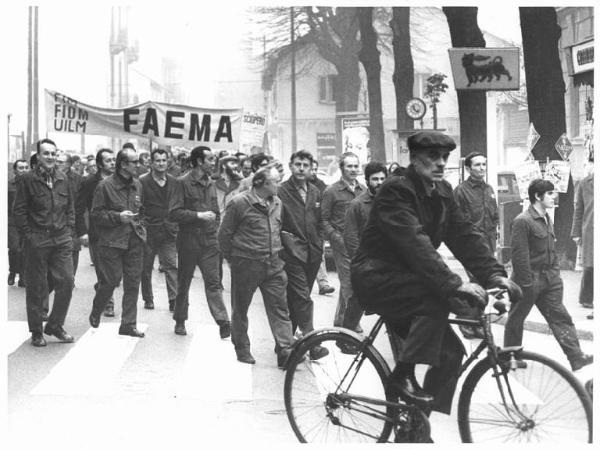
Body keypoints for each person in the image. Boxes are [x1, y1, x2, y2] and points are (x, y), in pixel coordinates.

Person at [351, 131, 518, 412]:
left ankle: (417, 424)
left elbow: (465, 235)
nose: (440, 163)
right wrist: (453, 284)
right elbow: (414, 242)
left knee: (451, 356)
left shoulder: (442, 192)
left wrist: (494, 275)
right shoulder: (396, 190)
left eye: (444, 157)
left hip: (412, 280)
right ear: (414, 159)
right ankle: (401, 376)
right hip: (378, 277)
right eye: (433, 157)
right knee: (437, 298)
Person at [505, 179, 593, 371]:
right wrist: (527, 284)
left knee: (560, 317)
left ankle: (576, 357)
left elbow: (551, 250)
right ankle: (510, 356)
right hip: (528, 280)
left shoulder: (546, 217)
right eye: (551, 193)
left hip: (549, 279)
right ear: (538, 196)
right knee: (516, 318)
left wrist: (555, 275)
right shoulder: (523, 221)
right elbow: (519, 257)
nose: (555, 196)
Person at [218, 166, 296, 368]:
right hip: (246, 263)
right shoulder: (239, 203)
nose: (279, 185)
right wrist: (232, 259)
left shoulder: (277, 202)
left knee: (279, 307)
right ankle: (242, 347)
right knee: (241, 307)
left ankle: (285, 350)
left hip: (273, 263)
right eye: (275, 181)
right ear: (261, 183)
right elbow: (224, 235)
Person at [13, 139, 76, 347]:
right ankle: (37, 331)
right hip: (37, 239)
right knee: (37, 286)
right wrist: (29, 236)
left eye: (53, 154)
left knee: (66, 281)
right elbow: (19, 212)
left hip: (61, 239)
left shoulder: (63, 178)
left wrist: (68, 229)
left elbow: (70, 208)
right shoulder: (27, 180)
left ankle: (55, 325)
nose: (50, 157)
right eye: (46, 153)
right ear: (38, 156)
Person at [169, 146, 231, 338]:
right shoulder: (182, 183)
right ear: (198, 161)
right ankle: (180, 320)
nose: (214, 163)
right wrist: (198, 215)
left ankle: (223, 322)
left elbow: (216, 213)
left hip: (210, 242)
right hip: (188, 240)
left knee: (213, 283)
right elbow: (173, 213)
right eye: (210, 160)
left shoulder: (211, 184)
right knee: (184, 283)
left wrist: (216, 233)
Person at [88, 147, 146, 338]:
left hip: (134, 240)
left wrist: (142, 227)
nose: (138, 165)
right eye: (134, 162)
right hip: (112, 242)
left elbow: (141, 209)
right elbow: (95, 215)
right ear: (123, 165)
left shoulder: (138, 185)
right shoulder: (105, 186)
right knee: (111, 281)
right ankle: (97, 308)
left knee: (132, 283)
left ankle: (128, 324)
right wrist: (117, 217)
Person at [278, 150, 328, 360]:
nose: (301, 168)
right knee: (303, 298)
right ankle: (311, 343)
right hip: (291, 252)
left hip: (312, 253)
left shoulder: (316, 192)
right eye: (297, 164)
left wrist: (320, 240)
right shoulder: (281, 191)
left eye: (305, 165)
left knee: (295, 300)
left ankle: (284, 347)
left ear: (311, 168)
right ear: (290, 166)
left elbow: (320, 220)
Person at [321, 152, 366, 329]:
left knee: (355, 281)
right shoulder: (331, 191)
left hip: (360, 245)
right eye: (349, 166)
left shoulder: (364, 190)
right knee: (350, 282)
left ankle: (341, 319)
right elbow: (324, 219)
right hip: (341, 244)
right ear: (342, 169)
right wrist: (335, 238)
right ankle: (352, 324)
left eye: (356, 166)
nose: (353, 169)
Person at [342, 160, 387, 332]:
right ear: (367, 181)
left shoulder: (393, 202)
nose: (380, 183)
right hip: (366, 261)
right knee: (358, 298)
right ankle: (346, 336)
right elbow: (350, 237)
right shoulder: (357, 205)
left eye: (383, 178)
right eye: (375, 179)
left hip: (388, 260)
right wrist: (361, 262)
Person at [76, 149, 117, 317]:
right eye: (108, 161)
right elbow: (79, 208)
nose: (113, 163)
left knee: (114, 273)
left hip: (118, 232)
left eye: (114, 160)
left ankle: (102, 287)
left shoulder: (121, 180)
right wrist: (82, 231)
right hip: (97, 233)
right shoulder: (89, 182)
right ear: (100, 164)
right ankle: (108, 303)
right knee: (103, 270)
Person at [139, 149, 179, 311]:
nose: (161, 163)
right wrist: (141, 226)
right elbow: (138, 205)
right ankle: (148, 298)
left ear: (168, 162)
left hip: (168, 231)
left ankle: (173, 300)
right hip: (149, 231)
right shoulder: (142, 181)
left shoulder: (174, 181)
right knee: (146, 267)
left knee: (171, 265)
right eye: (158, 160)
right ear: (151, 163)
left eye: (164, 160)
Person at [453, 152, 499, 254]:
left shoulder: (489, 189)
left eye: (484, 164)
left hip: (490, 243)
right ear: (468, 169)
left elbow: (495, 214)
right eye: (477, 165)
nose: (482, 168)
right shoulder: (460, 191)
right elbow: (455, 221)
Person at [308, 159, 335, 295]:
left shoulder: (322, 187)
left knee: (319, 254)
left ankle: (323, 283)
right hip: (298, 229)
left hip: (316, 227)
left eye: (315, 169)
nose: (313, 172)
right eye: (310, 169)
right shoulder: (293, 187)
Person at [56, 152, 84, 277]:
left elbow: (81, 204)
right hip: (57, 219)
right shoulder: (52, 177)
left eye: (61, 162)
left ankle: (71, 278)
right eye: (57, 161)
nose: (57, 164)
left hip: (74, 219)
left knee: (73, 249)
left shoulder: (78, 179)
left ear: (69, 164)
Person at [571, 167, 593, 310]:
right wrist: (576, 232)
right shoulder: (585, 183)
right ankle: (587, 298)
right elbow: (578, 209)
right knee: (590, 265)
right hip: (590, 229)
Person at [8, 159, 29, 287]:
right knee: (15, 248)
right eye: (21, 168)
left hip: (27, 222)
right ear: (15, 170)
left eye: (26, 167)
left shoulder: (32, 185)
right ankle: (12, 272)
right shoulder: (8, 185)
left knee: (25, 249)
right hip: (12, 222)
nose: (24, 170)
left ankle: (22, 276)